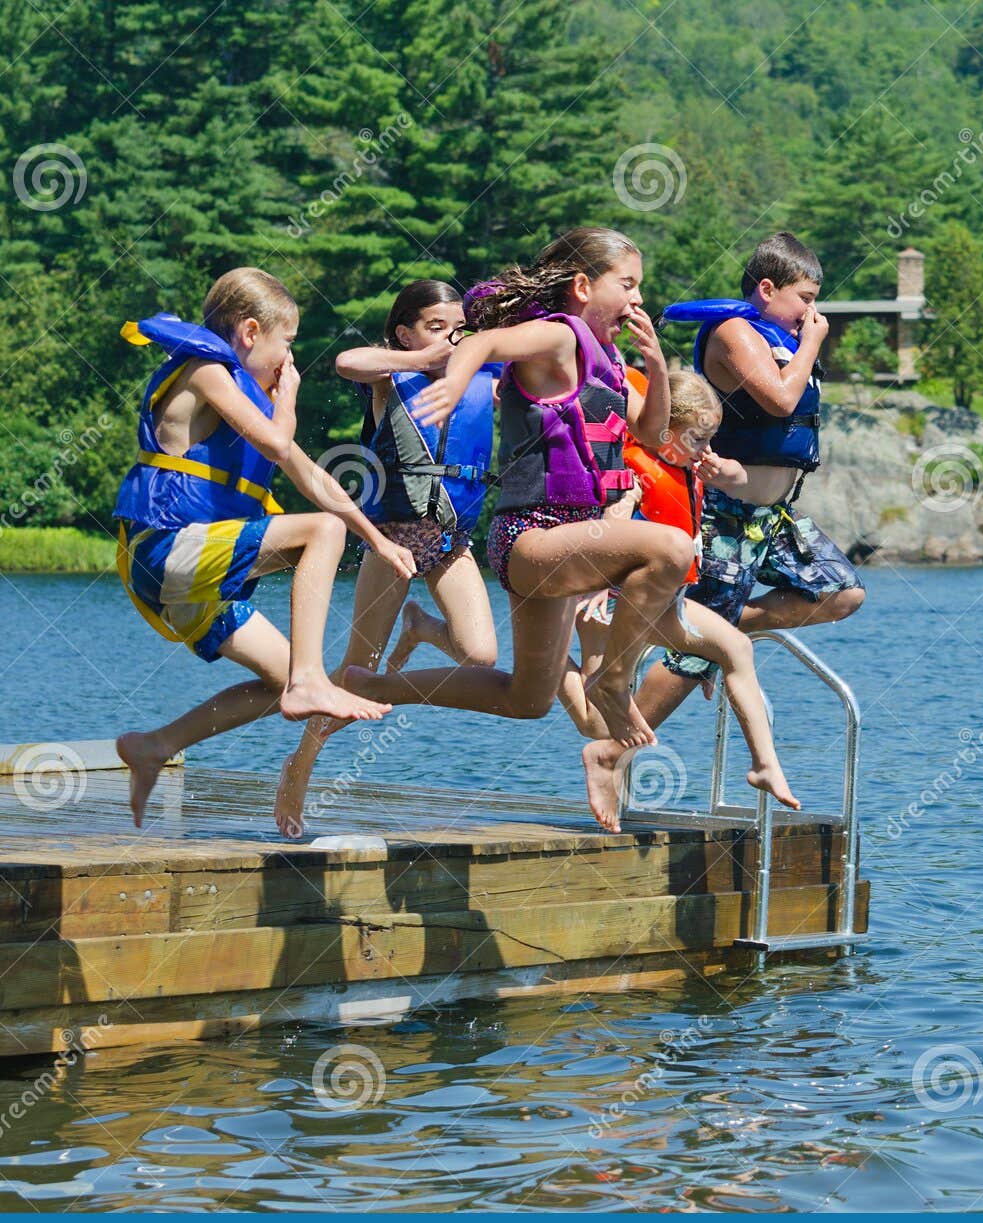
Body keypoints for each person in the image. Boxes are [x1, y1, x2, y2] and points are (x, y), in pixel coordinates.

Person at [341, 227, 691, 749]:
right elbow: (483, 341)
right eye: (628, 284)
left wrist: (658, 368)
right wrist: (453, 381)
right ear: (582, 286)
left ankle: (371, 684)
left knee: (528, 700)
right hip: (532, 536)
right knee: (673, 548)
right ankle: (613, 682)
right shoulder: (559, 336)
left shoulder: (612, 363)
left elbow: (654, 433)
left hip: (567, 545)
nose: (638, 298)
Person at [111, 268, 415, 825]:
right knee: (321, 531)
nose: (288, 363)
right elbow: (278, 442)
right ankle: (310, 680)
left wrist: (379, 540)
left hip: (187, 573)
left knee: (278, 685)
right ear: (251, 332)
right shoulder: (206, 371)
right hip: (166, 548)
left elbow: (315, 479)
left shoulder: (243, 395)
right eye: (288, 345)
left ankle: (154, 746)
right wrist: (290, 398)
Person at [273, 280, 500, 836]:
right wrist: (423, 358)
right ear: (405, 332)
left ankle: (422, 629)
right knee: (357, 675)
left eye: (459, 329)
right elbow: (349, 360)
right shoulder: (390, 374)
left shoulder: (484, 378)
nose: (451, 339)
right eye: (436, 326)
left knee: (481, 655)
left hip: (449, 540)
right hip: (392, 540)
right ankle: (299, 768)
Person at [628, 232, 864, 734]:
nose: (810, 313)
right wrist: (815, 343)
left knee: (841, 594)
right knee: (692, 657)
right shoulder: (734, 332)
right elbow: (779, 400)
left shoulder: (784, 340)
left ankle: (718, 631)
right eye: (804, 299)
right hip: (725, 514)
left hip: (772, 517)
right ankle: (612, 750)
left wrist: (805, 343)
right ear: (766, 288)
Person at [569, 368, 801, 830]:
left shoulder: (687, 470)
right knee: (597, 723)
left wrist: (698, 647)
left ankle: (764, 765)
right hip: (616, 601)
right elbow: (613, 519)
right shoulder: (636, 471)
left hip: (666, 604)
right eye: (697, 438)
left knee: (735, 647)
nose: (705, 449)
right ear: (662, 430)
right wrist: (595, 584)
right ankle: (548, 658)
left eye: (710, 438)